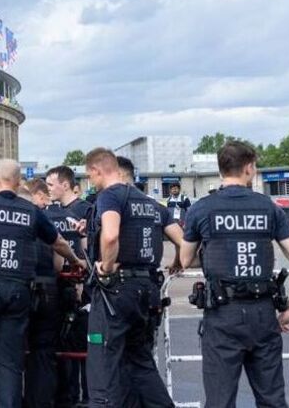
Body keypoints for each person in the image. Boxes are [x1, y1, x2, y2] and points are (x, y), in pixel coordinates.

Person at [179, 142, 289, 408]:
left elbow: (184, 259)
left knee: (220, 400)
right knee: (272, 399)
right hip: (262, 313)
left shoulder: (202, 208)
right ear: (249, 168)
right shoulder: (269, 207)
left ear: (220, 170)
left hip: (222, 316)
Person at [0, 159, 83, 407]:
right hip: (18, 290)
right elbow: (59, 243)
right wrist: (77, 261)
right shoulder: (30, 210)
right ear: (19, 181)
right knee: (9, 364)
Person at [85, 148, 184, 408]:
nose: (91, 182)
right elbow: (185, 245)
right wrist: (176, 262)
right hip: (147, 289)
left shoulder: (109, 197)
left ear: (97, 170)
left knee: (103, 364)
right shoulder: (152, 204)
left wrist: (105, 267)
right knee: (140, 362)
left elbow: (110, 235)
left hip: (115, 291)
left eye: (90, 176)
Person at [45, 165, 92, 408]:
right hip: (61, 287)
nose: (48, 189)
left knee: (86, 345)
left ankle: (89, 397)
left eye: (51, 185)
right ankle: (69, 397)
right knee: (65, 347)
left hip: (83, 289)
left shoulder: (86, 211)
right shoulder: (53, 212)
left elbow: (91, 249)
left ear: (65, 184)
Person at [24, 178, 65, 408]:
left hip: (20, 289)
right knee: (44, 352)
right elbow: (59, 263)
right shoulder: (46, 221)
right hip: (47, 289)